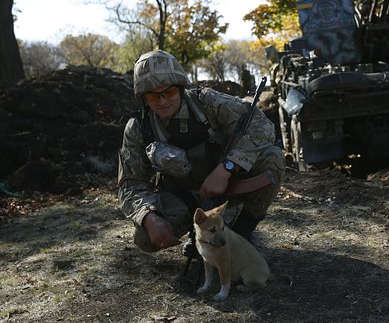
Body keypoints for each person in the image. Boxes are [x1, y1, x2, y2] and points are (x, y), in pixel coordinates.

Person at [117, 50, 285, 254]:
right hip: (182, 197)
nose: (162, 101)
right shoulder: (138, 127)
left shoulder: (207, 102)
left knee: (273, 158)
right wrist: (148, 217)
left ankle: (242, 233)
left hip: (230, 186)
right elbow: (130, 185)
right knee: (144, 238)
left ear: (180, 88)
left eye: (168, 92)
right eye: (153, 96)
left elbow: (261, 126)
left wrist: (226, 169)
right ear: (144, 98)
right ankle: (195, 234)